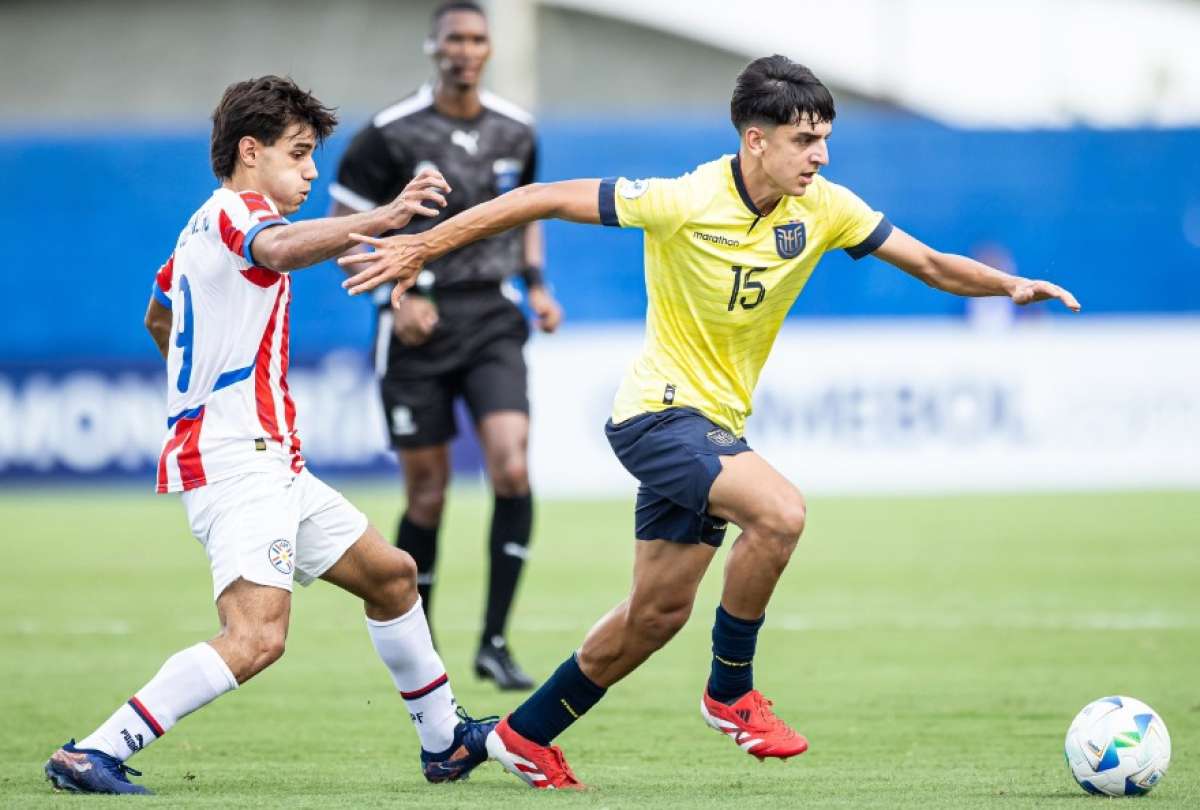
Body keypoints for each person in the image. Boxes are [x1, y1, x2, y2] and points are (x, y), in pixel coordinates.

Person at [338, 55, 1081, 789]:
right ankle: (730, 692)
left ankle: (519, 738)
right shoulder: (684, 198)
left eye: (825, 139)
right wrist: (423, 244)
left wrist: (1009, 284)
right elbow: (536, 197)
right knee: (780, 514)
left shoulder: (825, 206)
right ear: (755, 139)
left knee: (655, 616)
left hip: (711, 425)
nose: (819, 156)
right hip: (657, 417)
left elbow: (929, 263)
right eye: (803, 140)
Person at [43, 76, 496, 795]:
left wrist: (196, 397)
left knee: (394, 577)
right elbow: (279, 251)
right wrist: (386, 216)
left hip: (270, 462)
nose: (312, 171)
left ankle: (444, 743)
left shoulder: (197, 228)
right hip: (238, 464)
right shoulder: (237, 213)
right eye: (300, 153)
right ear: (250, 152)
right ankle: (95, 750)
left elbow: (158, 317)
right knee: (258, 638)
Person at [329, 0, 560, 691]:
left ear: (489, 50)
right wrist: (390, 299)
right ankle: (420, 651)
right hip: (415, 329)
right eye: (454, 38)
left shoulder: (516, 130)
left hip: (492, 317)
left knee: (511, 469)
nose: (466, 49)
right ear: (434, 47)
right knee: (427, 495)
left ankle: (494, 640)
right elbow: (342, 232)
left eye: (477, 39)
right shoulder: (389, 134)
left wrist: (537, 284)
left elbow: (528, 214)